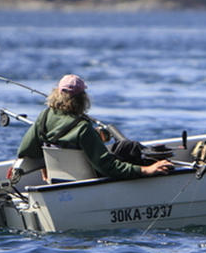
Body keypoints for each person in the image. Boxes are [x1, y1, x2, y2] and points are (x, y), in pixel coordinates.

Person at [17, 74, 172, 179]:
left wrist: (46, 168)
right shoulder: (82, 128)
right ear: (82, 99)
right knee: (131, 148)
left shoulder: (44, 117)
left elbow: (25, 150)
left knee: (124, 147)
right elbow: (107, 167)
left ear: (57, 93)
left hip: (60, 180)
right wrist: (146, 170)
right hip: (90, 179)